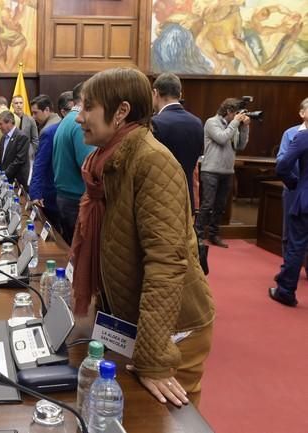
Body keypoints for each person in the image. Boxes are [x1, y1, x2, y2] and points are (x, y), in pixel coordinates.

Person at [72, 68, 215, 407]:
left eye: (88, 107)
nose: (79, 118)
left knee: (164, 420)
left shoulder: (152, 162)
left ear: (120, 112)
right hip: (131, 322)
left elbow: (166, 264)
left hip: (174, 332)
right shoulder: (106, 162)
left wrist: (153, 359)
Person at [195, 97, 250, 248]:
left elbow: (240, 145)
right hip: (210, 170)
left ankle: (213, 234)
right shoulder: (211, 122)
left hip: (227, 171)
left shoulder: (235, 125)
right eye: (237, 113)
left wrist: (244, 128)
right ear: (228, 111)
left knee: (220, 206)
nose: (239, 116)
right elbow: (221, 138)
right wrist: (235, 123)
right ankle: (198, 235)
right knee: (207, 204)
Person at [152, 72, 204, 210]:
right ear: (180, 95)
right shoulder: (197, 123)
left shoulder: (155, 123)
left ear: (155, 93)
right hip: (187, 199)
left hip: (160, 200)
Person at [52, 82, 96, 245]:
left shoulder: (66, 120)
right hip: (76, 200)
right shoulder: (79, 124)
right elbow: (89, 167)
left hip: (65, 197)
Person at [270, 129, 308, 307]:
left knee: (296, 245)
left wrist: (294, 183)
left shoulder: (304, 136)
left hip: (305, 200)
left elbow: (283, 165)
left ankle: (285, 291)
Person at [277, 98, 308, 278]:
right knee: (289, 233)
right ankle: (287, 269)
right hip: (294, 189)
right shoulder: (291, 134)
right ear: (302, 113)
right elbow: (282, 161)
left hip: (302, 188)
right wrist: (294, 182)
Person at [29, 94, 62, 233]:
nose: (33, 117)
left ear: (47, 110)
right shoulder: (61, 124)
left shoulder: (48, 131)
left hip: (50, 191)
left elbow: (40, 164)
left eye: (36, 113)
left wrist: (35, 193)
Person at [0, 110, 30, 190]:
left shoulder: (22, 137)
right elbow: (2, 158)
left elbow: (19, 160)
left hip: (17, 182)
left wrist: (4, 175)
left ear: (9, 122)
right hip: (6, 180)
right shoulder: (4, 137)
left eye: (1, 124)